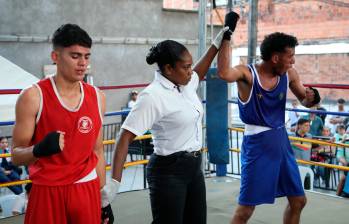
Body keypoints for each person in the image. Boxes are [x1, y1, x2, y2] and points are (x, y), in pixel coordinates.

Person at [102, 26, 231, 224]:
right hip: (169, 171)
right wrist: (114, 181)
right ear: (168, 69)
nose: (190, 71)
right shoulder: (152, 96)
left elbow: (199, 71)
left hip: (194, 167)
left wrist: (216, 43)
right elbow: (124, 137)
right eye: (185, 67)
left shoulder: (185, 84)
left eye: (189, 66)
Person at [217, 11, 320, 224]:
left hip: (281, 142)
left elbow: (305, 100)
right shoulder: (247, 74)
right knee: (245, 210)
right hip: (257, 146)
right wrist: (227, 34)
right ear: (275, 58)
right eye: (290, 56)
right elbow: (224, 73)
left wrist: (313, 97)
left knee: (299, 200)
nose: (293, 61)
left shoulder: (289, 74)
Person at [11, 24, 112, 224]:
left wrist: (104, 200)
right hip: (47, 190)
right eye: (75, 56)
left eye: (87, 56)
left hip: (86, 188)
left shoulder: (98, 97)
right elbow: (15, 155)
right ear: (55, 57)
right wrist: (38, 150)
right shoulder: (33, 96)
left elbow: (98, 151)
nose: (83, 63)